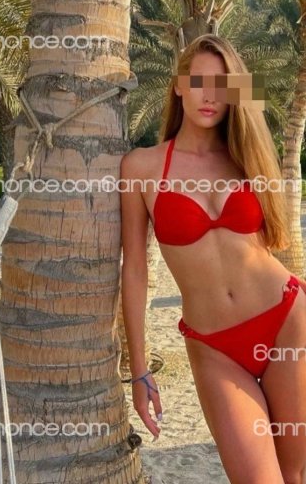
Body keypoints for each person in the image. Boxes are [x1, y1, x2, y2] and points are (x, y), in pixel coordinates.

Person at [120, 34, 306, 484]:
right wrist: (139, 370)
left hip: (286, 320)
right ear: (178, 85)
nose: (210, 96)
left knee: (295, 471)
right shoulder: (141, 167)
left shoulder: (247, 156)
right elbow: (135, 271)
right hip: (215, 347)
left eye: (223, 85)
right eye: (200, 81)